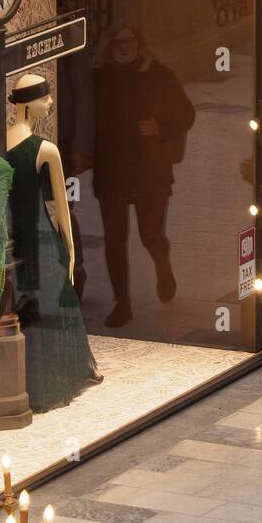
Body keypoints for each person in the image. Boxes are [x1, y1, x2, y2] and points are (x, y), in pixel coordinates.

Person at [91, 22, 195, 328]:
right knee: (114, 239)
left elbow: (187, 114)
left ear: (140, 44)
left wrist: (160, 126)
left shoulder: (160, 75)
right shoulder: (100, 78)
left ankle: (163, 267)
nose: (124, 47)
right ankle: (122, 302)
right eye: (118, 43)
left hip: (151, 168)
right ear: (109, 47)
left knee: (150, 234)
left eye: (130, 41)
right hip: (112, 169)